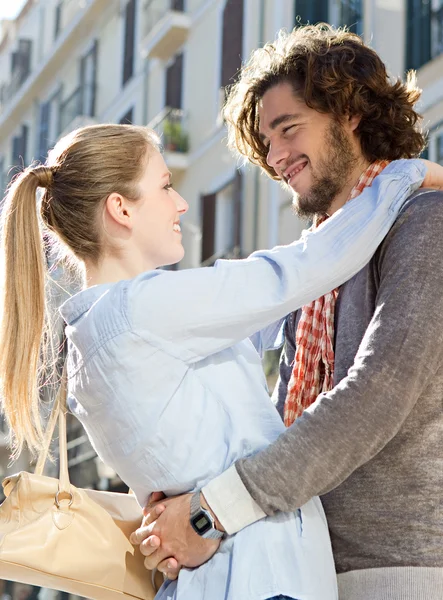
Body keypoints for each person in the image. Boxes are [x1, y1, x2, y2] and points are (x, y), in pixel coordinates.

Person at [0, 122, 441, 600]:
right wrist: (407, 177)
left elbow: (269, 317)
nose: (181, 204)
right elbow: (297, 271)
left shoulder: (94, 340)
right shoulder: (143, 309)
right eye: (165, 186)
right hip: (259, 578)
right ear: (120, 208)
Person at [133, 25, 443, 600]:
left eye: (288, 129)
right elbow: (275, 426)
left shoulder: (425, 220)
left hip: (399, 572)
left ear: (349, 113)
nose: (275, 158)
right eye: (265, 143)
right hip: (306, 570)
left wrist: (210, 513)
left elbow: (380, 390)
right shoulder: (315, 267)